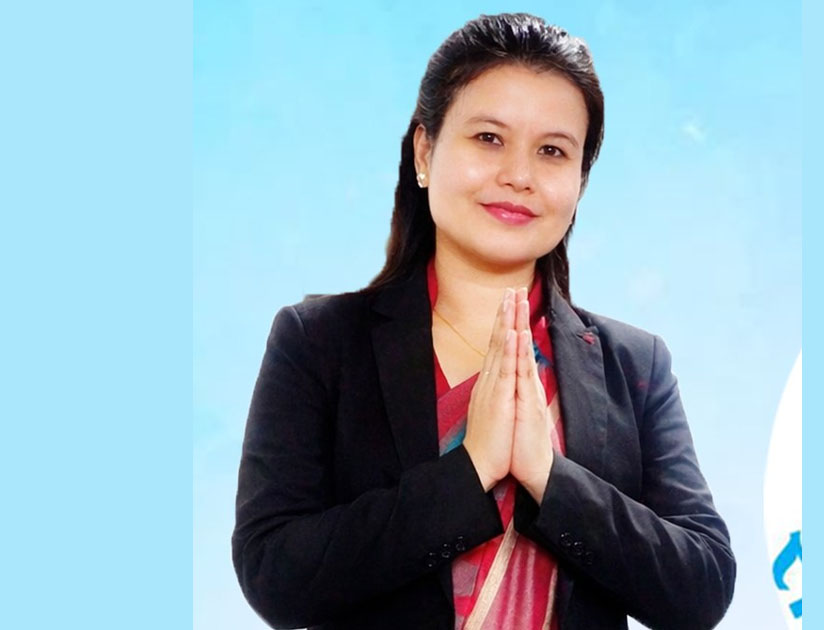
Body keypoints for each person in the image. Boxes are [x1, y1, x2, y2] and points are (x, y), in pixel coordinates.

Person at [232, 12, 735, 630]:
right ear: (425, 151)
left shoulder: (632, 363)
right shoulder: (321, 341)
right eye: (489, 138)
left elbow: (701, 588)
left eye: (552, 151)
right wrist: (471, 472)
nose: (518, 176)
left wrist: (549, 477)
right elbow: (275, 575)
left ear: (579, 182)